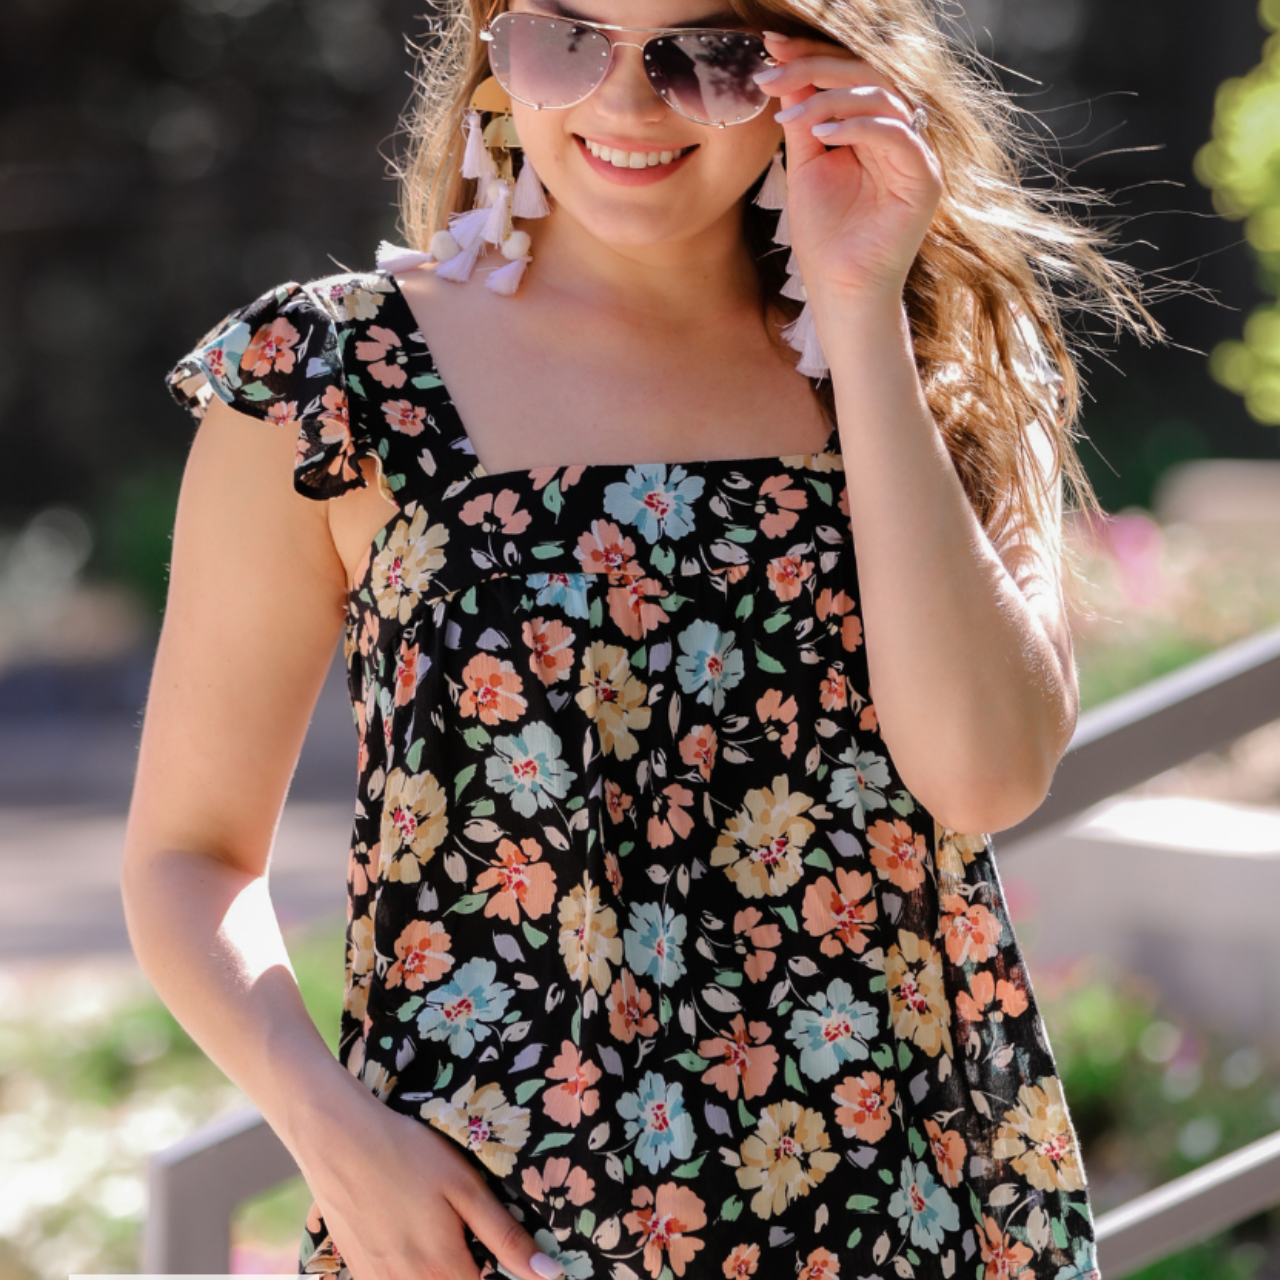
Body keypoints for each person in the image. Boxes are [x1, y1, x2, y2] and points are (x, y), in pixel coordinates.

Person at [122, 1, 1157, 1278]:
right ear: (496, 54)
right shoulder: (334, 378)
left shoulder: (943, 355)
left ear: (812, 65)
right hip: (494, 1216)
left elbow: (983, 773)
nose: (625, 102)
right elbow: (186, 855)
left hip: (899, 1203)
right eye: (570, 37)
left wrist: (860, 308)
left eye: (702, 52)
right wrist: (328, 1127)